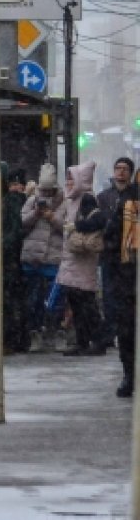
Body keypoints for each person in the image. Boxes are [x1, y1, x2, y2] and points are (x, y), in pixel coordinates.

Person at [56, 161, 108, 357]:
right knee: (78, 304)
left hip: (82, 259)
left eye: (72, 178)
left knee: (86, 304)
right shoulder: (72, 200)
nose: (69, 182)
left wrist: (76, 226)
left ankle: (97, 341)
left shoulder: (86, 199)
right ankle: (83, 342)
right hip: (72, 259)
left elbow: (97, 222)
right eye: (68, 178)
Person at [20, 164, 64, 344]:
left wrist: (52, 217)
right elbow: (22, 223)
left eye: (48, 190)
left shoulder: (63, 202)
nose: (45, 195)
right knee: (33, 298)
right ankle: (35, 330)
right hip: (32, 257)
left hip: (53, 256)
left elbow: (66, 227)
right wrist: (36, 213)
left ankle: (53, 327)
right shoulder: (32, 201)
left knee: (54, 297)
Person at [105, 169, 140, 396]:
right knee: (127, 331)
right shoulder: (126, 207)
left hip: (128, 279)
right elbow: (110, 237)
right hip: (129, 279)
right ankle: (129, 374)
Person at [98, 157, 135, 352]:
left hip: (129, 254)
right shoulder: (104, 197)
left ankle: (124, 332)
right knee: (109, 295)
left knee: (126, 296)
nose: (120, 172)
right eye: (117, 168)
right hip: (109, 253)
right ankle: (110, 333)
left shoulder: (134, 196)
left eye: (125, 169)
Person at [2, 166, 29, 353]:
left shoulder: (8, 202)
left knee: (10, 301)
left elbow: (13, 232)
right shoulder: (25, 202)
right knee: (17, 301)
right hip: (21, 259)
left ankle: (13, 338)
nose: (15, 187)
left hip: (11, 259)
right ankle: (20, 337)